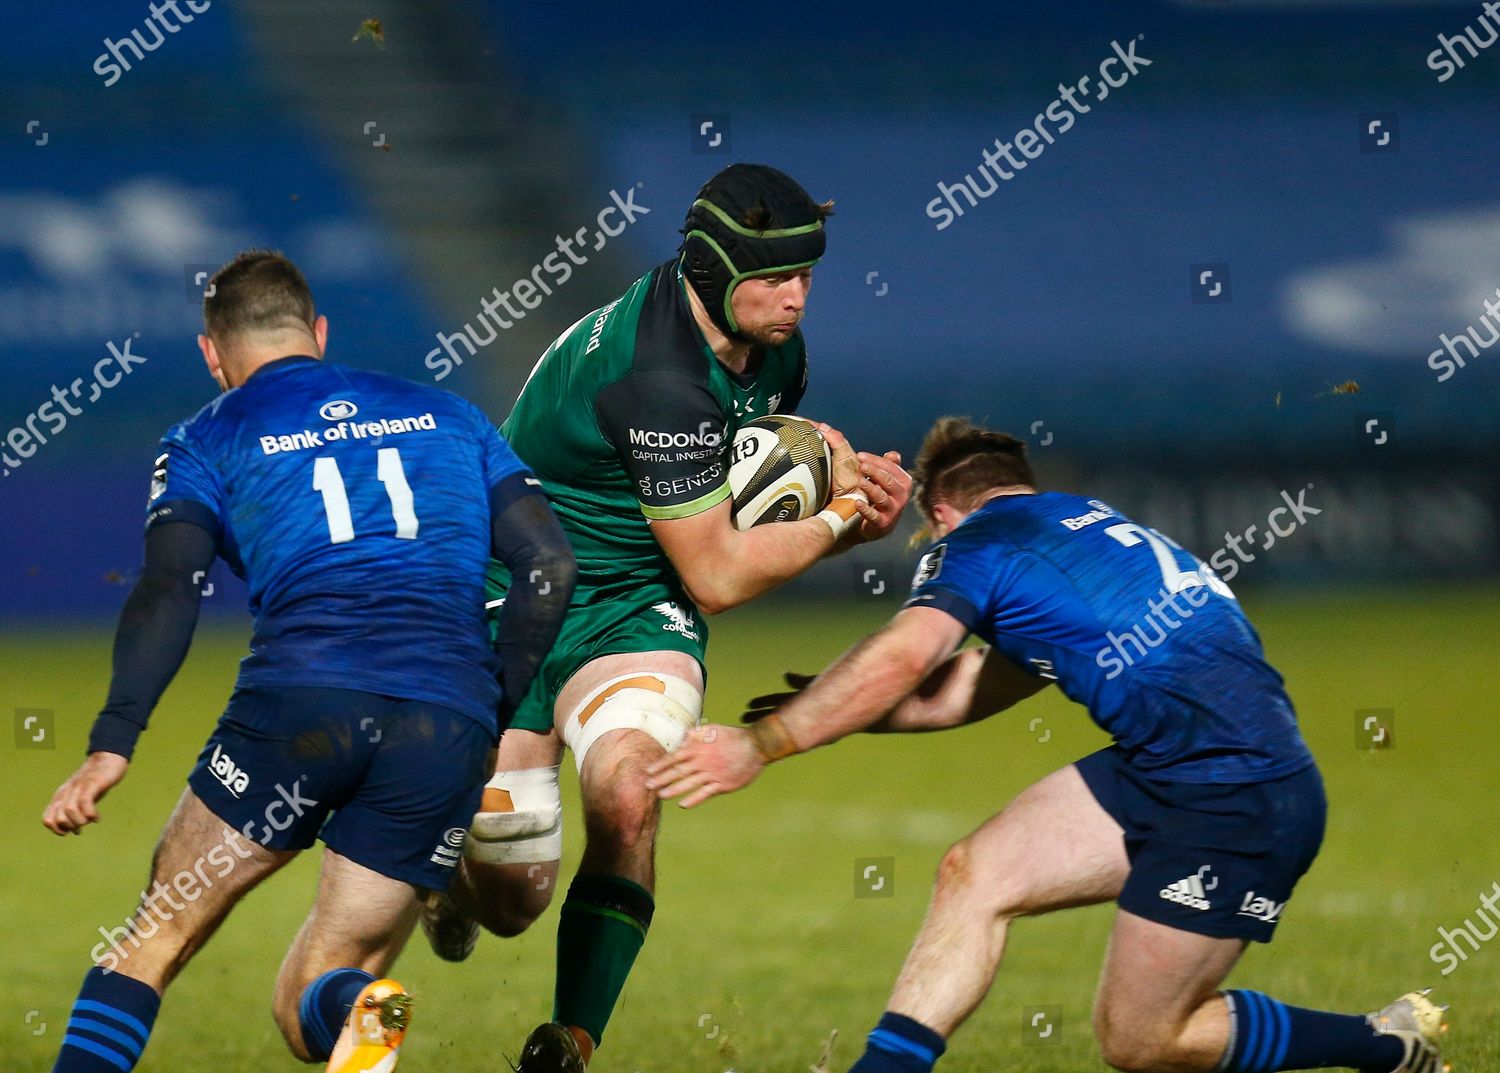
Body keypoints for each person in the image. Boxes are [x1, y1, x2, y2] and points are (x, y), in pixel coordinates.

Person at [648, 417, 1449, 1073]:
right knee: (977, 872)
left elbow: (907, 655)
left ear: (942, 512)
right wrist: (852, 706)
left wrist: (763, 744)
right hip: (1169, 767)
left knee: (1141, 1040)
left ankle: (1378, 1042)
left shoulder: (981, 544)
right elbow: (973, 688)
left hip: (1233, 797)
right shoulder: (1079, 533)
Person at [421, 163, 912, 1072]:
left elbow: (732, 522)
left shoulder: (770, 350)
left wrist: (843, 510)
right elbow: (723, 572)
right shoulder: (657, 375)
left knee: (627, 791)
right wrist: (846, 520)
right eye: (772, 278)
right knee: (514, 895)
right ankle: (455, 876)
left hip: (642, 602)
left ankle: (571, 1037)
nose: (795, 299)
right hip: (515, 595)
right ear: (712, 273)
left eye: (806, 275)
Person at [41, 250, 576, 1073]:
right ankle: (361, 1009)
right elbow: (548, 566)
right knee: (318, 999)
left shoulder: (208, 436)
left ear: (211, 355)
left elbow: (168, 589)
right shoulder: (451, 415)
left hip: (299, 705)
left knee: (155, 935)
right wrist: (486, 710)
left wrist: (114, 738)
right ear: (318, 333)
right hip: (444, 721)